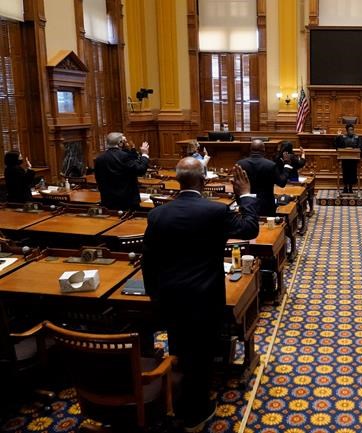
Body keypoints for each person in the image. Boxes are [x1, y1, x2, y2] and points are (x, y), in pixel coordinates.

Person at [142, 158, 258, 431]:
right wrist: (245, 195)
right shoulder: (214, 212)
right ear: (204, 181)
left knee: (179, 347)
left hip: (170, 296)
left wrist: (154, 296)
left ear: (178, 180)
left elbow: (149, 260)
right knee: (202, 353)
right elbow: (250, 228)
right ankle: (196, 413)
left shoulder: (157, 215)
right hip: (204, 297)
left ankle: (180, 398)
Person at [94, 132, 149, 210]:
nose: (125, 143)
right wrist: (144, 155)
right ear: (120, 143)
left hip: (108, 202)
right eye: (124, 141)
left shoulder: (99, 159)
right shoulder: (124, 156)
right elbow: (140, 170)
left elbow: (98, 179)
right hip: (127, 202)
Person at [237, 139, 292, 217]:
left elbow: (237, 186)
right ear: (264, 150)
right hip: (266, 205)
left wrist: (240, 202)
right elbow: (282, 183)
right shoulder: (270, 165)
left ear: (250, 149)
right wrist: (287, 166)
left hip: (246, 204)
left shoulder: (240, 164)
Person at [335, 124, 362, 193]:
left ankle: (350, 188)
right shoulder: (343, 137)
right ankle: (345, 187)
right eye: (350, 130)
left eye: (352, 130)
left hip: (353, 159)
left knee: (353, 174)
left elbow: (361, 147)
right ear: (347, 131)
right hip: (345, 159)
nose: (351, 131)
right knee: (345, 173)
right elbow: (337, 146)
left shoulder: (357, 138)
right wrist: (338, 137)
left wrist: (357, 151)